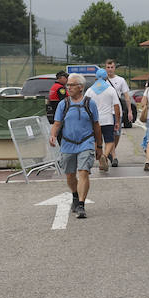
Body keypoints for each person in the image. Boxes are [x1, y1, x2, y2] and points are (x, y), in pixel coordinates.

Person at [49, 74, 100, 218]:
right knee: (70, 175)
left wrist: (99, 146)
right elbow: (57, 123)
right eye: (68, 85)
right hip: (68, 143)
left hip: (86, 142)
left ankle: (81, 205)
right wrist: (52, 135)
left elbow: (96, 125)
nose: (68, 87)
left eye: (71, 85)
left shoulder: (90, 103)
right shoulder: (63, 104)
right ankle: (75, 195)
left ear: (81, 87)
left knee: (83, 172)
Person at [84, 66, 121, 173]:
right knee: (109, 140)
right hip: (108, 119)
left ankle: (101, 163)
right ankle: (105, 156)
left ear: (96, 78)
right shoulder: (110, 89)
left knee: (97, 141)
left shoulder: (90, 90)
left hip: (94, 121)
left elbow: (85, 105)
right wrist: (117, 121)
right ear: (106, 78)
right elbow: (116, 106)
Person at [105, 58, 134, 139]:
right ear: (105, 68)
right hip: (105, 111)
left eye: (112, 67)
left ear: (114, 68)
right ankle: (111, 151)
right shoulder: (102, 80)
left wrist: (130, 111)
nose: (110, 69)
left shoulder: (121, 80)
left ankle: (112, 149)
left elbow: (127, 97)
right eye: (108, 67)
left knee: (117, 133)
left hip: (117, 110)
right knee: (107, 134)